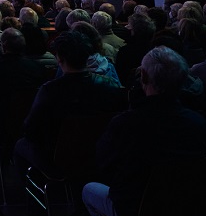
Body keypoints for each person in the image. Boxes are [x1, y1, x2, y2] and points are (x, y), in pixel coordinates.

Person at [83, 47, 206, 216]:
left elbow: (102, 163)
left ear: (143, 76)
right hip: (185, 210)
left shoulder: (126, 123)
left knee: (88, 189)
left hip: (135, 212)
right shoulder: (198, 123)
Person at [15, 31, 126, 170]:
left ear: (59, 58)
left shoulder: (50, 91)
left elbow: (31, 129)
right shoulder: (110, 85)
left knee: (20, 144)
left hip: (57, 159)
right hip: (99, 155)